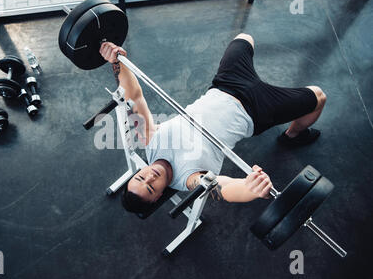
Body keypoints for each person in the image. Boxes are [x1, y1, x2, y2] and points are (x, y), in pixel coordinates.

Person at [99, 33, 326, 213]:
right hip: (258, 110)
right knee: (318, 96)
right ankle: (292, 136)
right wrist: (250, 189)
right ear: (159, 196)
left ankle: (291, 131)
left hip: (227, 83)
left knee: (244, 38)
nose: (150, 177)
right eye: (151, 187)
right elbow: (222, 188)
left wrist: (118, 62)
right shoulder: (188, 179)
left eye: (141, 176)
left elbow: (134, 98)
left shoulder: (150, 141)